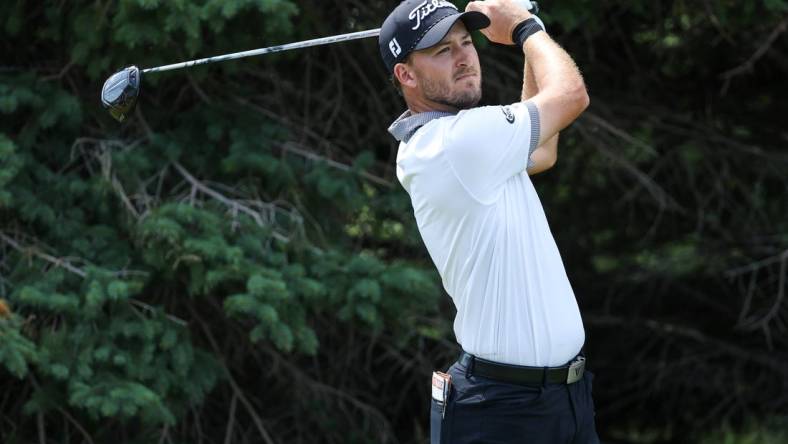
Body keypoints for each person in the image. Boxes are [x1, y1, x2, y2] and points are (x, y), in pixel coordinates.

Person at [378, 0, 598, 442]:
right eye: (442, 51)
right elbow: (572, 96)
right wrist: (524, 26)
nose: (464, 57)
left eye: (466, 42)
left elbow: (544, 151)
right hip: (503, 410)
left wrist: (525, 29)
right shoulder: (454, 144)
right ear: (406, 75)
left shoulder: (462, 143)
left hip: (563, 402)